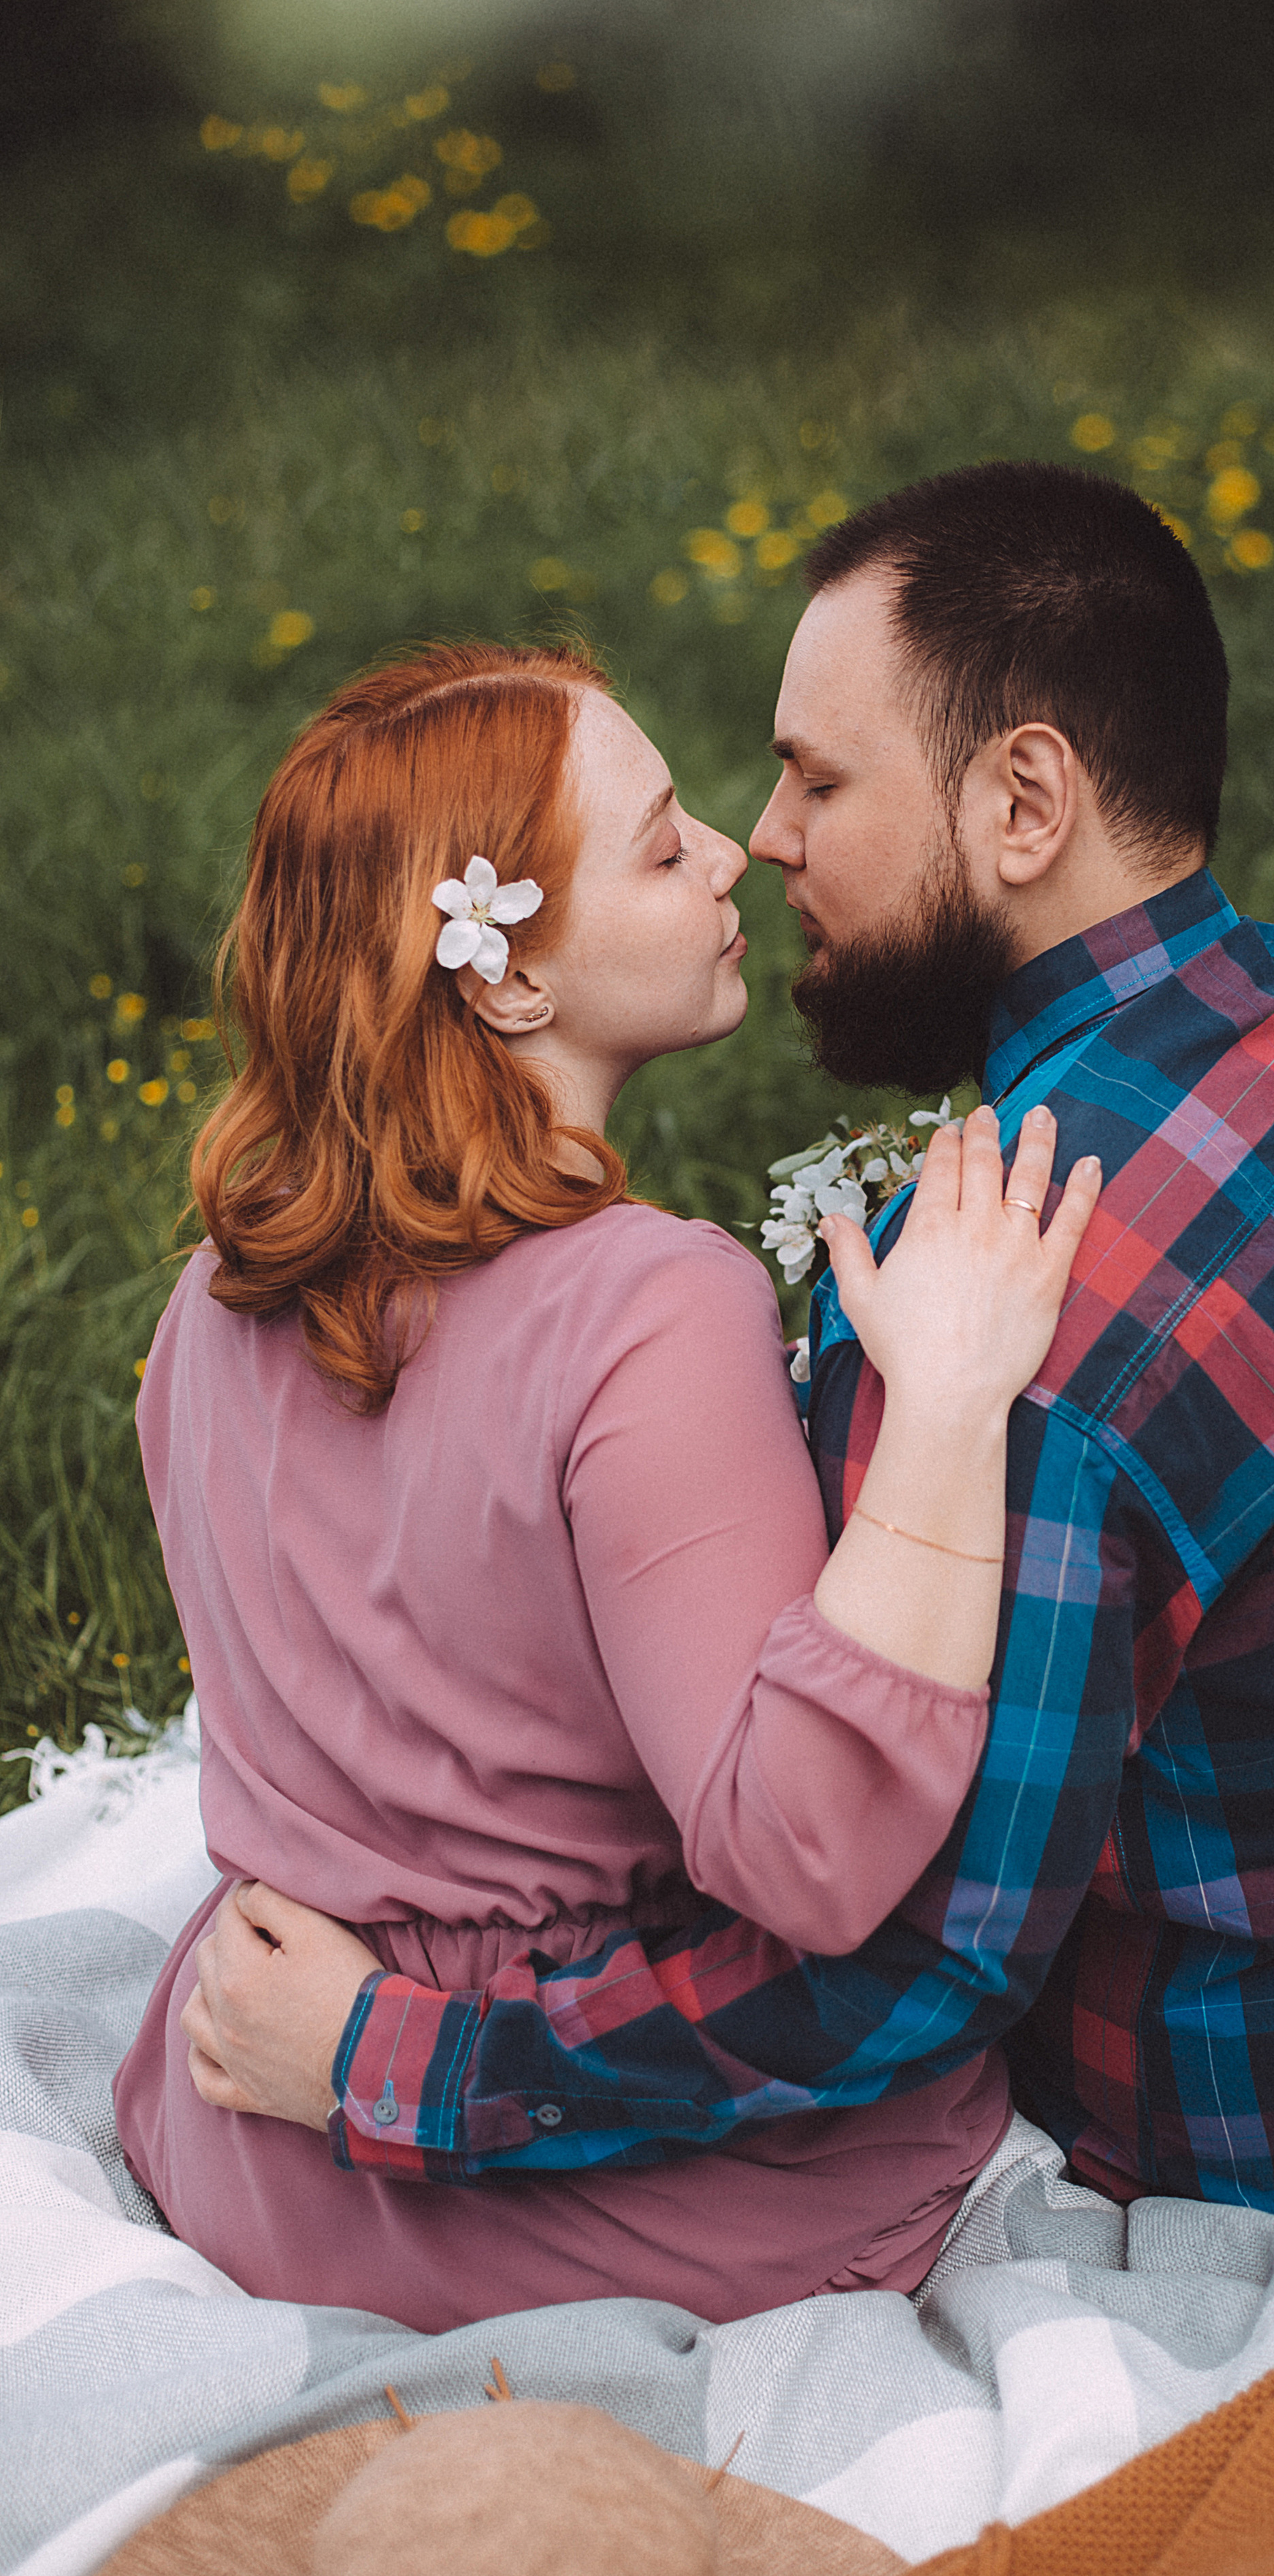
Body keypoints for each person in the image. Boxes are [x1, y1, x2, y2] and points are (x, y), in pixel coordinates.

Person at [184, 462, 1274, 2225]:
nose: (769, 838)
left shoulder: (1007, 1321)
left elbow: (914, 1968)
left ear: (1024, 803)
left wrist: (402, 2058)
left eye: (819, 777)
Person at [113, 638, 1100, 2332]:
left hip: (249, 2129)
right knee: (937, 2116)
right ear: (504, 981)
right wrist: (943, 1416)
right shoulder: (654, 1307)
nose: (732, 855)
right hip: (562, 2172)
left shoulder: (205, 1303)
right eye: (660, 847)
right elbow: (801, 1850)